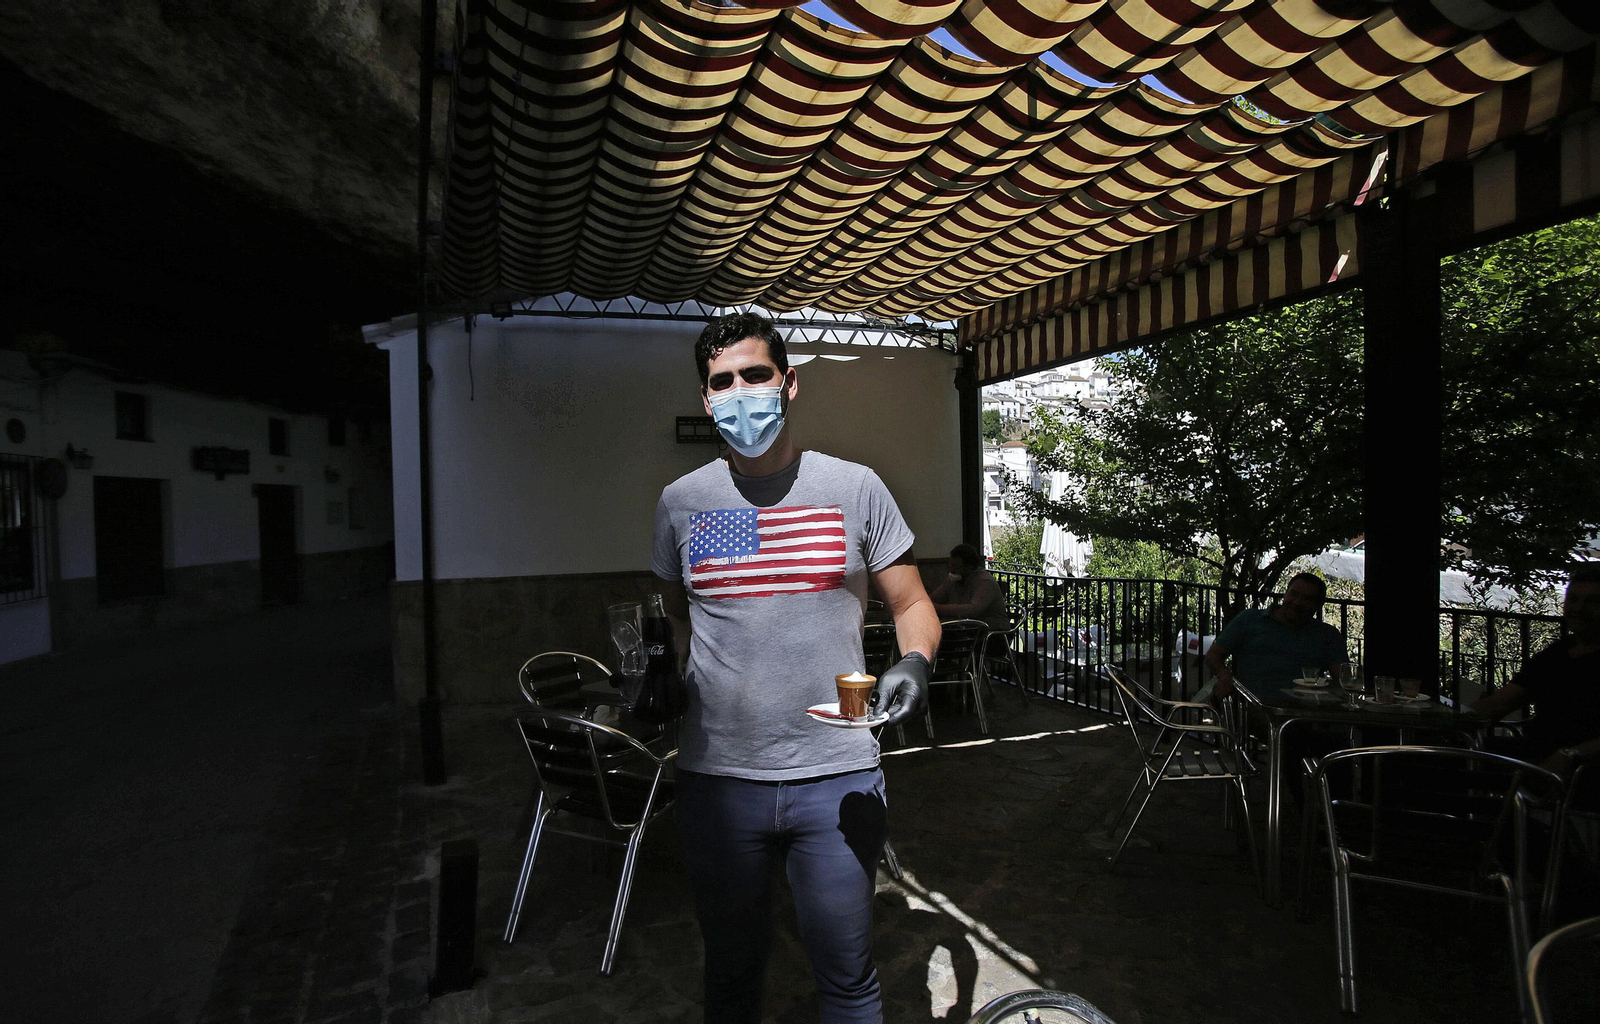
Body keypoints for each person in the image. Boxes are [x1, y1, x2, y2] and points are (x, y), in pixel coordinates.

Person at [650, 312, 941, 1024]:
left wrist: (914, 661)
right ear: (706, 397)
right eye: (724, 381)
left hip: (836, 777)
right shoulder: (680, 503)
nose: (741, 392)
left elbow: (913, 603)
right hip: (719, 781)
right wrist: (659, 667)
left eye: (755, 375)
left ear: (789, 384)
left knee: (846, 976)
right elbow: (670, 613)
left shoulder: (856, 488)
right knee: (731, 973)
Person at [1471, 564, 1600, 775]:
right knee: (1442, 754)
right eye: (1573, 599)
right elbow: (1502, 702)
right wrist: (1449, 721)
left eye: (1593, 602)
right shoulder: (1559, 653)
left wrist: (1572, 754)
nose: (1578, 608)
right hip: (1535, 755)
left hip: (1582, 772)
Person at [1203, 571, 1349, 696]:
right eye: (1294, 594)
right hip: (1251, 705)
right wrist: (1224, 676)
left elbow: (1344, 679)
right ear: (1285, 594)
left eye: (1307, 599)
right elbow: (1213, 654)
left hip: (1305, 713)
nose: (1297, 602)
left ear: (1318, 605)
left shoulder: (1327, 635)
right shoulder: (1250, 619)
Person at [929, 542, 1011, 631]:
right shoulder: (954, 579)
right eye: (950, 565)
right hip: (967, 629)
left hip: (991, 632)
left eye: (956, 567)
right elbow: (936, 597)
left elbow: (972, 610)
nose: (952, 570)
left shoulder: (984, 581)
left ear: (969, 567)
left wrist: (938, 608)